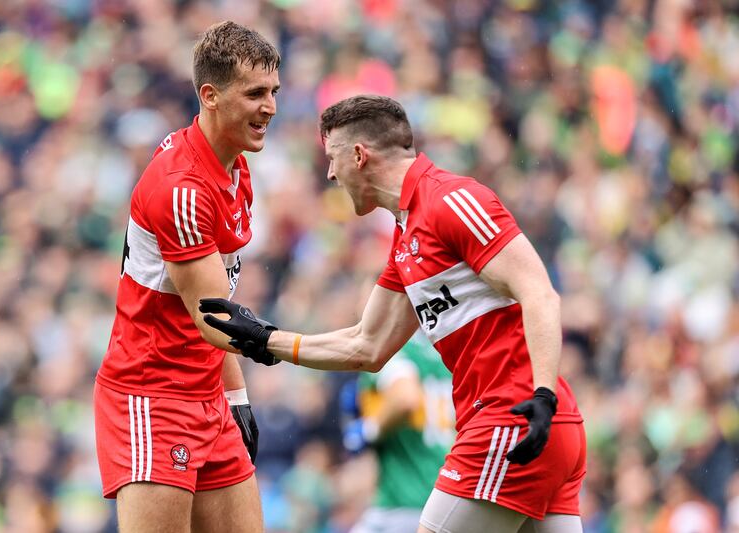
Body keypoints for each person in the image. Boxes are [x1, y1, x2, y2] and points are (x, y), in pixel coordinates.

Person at [200, 95, 587, 533]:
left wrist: (542, 395)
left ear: (359, 155)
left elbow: (540, 293)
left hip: (511, 416)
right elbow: (367, 345)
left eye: (332, 158)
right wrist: (266, 340)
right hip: (535, 423)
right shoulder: (407, 236)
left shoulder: (450, 200)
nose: (330, 173)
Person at [93, 21, 280, 533]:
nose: (270, 107)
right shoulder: (182, 187)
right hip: (152, 396)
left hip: (206, 393)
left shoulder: (235, 167)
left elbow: (216, 304)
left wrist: (236, 398)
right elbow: (218, 321)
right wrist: (315, 348)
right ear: (210, 95)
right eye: (255, 94)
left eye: (274, 92)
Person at [341, 332, 455, 533]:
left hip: (404, 499)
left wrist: (370, 429)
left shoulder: (391, 351)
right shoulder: (446, 354)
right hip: (446, 495)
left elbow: (406, 398)